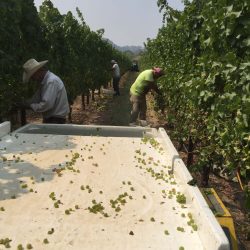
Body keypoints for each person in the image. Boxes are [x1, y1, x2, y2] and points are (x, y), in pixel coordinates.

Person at [21, 58, 70, 124]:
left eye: (32, 76)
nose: (33, 79)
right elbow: (36, 98)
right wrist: (25, 103)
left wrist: (30, 106)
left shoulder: (51, 81)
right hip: (52, 119)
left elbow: (47, 104)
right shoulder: (44, 82)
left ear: (37, 71)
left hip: (55, 120)